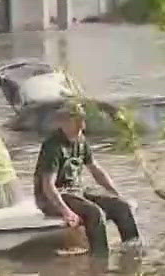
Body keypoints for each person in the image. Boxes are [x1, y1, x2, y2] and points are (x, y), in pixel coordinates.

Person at [34, 102, 139, 253]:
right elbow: (48, 186)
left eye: (82, 121)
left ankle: (133, 253)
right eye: (76, 121)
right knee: (95, 213)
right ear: (64, 121)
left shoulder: (81, 141)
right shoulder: (53, 146)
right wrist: (66, 212)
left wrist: (116, 193)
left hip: (76, 191)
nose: (81, 126)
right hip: (51, 197)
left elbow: (96, 170)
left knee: (121, 206)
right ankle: (100, 259)